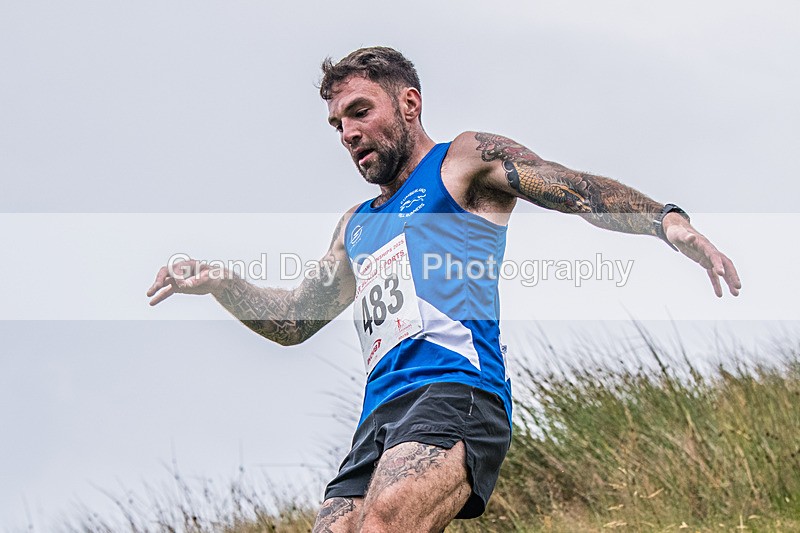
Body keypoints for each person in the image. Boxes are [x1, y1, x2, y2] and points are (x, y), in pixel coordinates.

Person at [146, 47, 741, 532]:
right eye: (338, 124)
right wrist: (223, 283)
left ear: (409, 103)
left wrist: (670, 222)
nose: (348, 134)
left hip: (457, 392)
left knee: (382, 527)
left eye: (359, 111)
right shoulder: (355, 225)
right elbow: (295, 320)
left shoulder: (462, 163)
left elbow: (577, 189)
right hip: (379, 417)